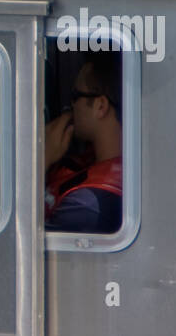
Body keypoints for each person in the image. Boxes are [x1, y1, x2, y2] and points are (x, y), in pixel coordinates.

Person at [44, 53, 122, 233]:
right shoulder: (90, 160)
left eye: (75, 96)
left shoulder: (88, 203)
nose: (69, 106)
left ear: (100, 106)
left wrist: (41, 160)